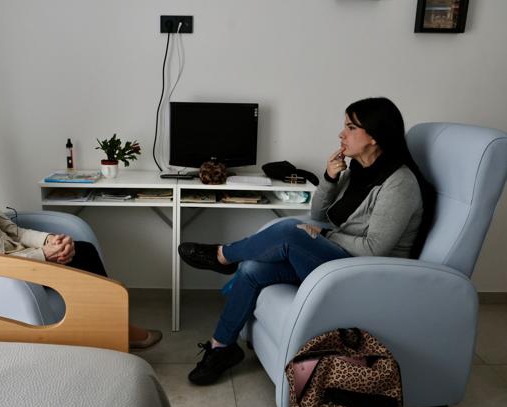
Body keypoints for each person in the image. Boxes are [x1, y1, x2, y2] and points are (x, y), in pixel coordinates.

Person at [178, 97, 433, 385]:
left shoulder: (399, 183)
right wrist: (330, 177)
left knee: (289, 229)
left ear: (374, 136)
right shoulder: (358, 172)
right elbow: (319, 213)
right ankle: (221, 347)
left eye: (350, 127)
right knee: (251, 268)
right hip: (337, 260)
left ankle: (223, 255)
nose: (341, 134)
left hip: (364, 273)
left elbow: (376, 248)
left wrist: (324, 235)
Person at [0, 108, 161, 349]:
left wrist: (50, 240)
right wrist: (42, 256)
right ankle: (117, 331)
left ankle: (111, 330)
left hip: (17, 260)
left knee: (82, 250)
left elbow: (11, 229)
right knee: (79, 260)